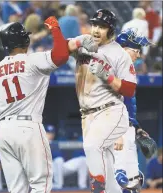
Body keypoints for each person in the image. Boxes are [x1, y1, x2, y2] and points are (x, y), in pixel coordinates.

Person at [0, 16, 94, 193]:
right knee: (40, 185)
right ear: (25, 40)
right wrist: (55, 29)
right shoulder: (33, 60)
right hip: (28, 127)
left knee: (17, 189)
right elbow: (60, 55)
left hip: (4, 130)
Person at [68, 9, 137, 193]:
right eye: (95, 25)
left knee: (91, 146)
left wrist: (109, 78)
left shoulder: (119, 54)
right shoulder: (85, 44)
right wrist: (70, 39)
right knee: (105, 161)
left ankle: (97, 188)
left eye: (103, 27)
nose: (97, 30)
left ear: (111, 30)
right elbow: (59, 52)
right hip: (87, 115)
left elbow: (130, 89)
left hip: (110, 110)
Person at [114, 28, 153, 193]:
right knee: (119, 177)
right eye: (135, 51)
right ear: (123, 49)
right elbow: (113, 103)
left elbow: (128, 104)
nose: (138, 55)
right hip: (116, 126)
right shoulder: (114, 69)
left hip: (127, 125)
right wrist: (117, 130)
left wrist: (136, 127)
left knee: (133, 180)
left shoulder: (127, 69)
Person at [46, 125, 88, 189]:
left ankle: (82, 187)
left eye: (52, 133)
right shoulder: (40, 143)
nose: (50, 135)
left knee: (83, 160)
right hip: (48, 169)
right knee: (59, 160)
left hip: (60, 167)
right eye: (48, 133)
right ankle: (58, 185)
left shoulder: (57, 142)